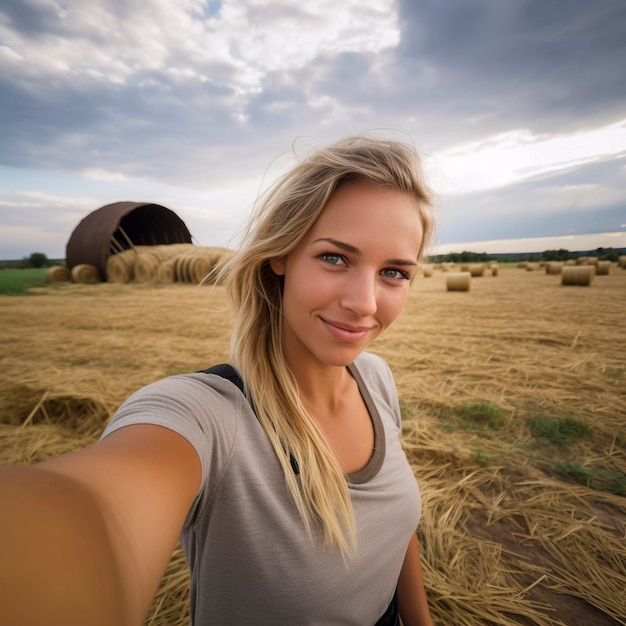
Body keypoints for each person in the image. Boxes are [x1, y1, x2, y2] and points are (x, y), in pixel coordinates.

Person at [0, 134, 435, 626]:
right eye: (335, 257)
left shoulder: (375, 380)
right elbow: (91, 516)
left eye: (395, 272)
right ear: (281, 255)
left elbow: (396, 531)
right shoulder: (207, 418)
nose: (365, 303)